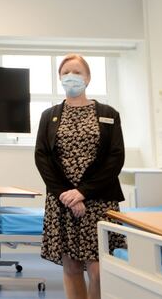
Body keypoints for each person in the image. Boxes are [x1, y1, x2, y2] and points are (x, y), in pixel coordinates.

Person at [34, 54, 126, 299]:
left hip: (99, 201)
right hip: (62, 201)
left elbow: (115, 158)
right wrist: (68, 195)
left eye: (76, 72)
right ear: (59, 79)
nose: (71, 77)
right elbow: (42, 158)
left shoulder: (108, 114)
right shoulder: (49, 115)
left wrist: (83, 192)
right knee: (72, 267)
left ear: (88, 78)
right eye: (65, 73)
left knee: (98, 270)